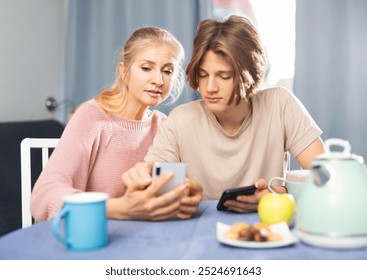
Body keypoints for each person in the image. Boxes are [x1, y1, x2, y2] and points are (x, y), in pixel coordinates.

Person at [125, 15, 324, 214]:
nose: (210, 87)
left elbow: (326, 178)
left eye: (223, 76)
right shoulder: (180, 120)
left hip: (267, 228)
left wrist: (279, 194)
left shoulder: (280, 104)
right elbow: (142, 193)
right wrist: (142, 180)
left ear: (248, 74)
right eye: (203, 75)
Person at [31, 26, 202, 222]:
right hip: (93, 237)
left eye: (167, 71)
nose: (158, 80)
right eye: (146, 68)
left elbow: (161, 198)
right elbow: (43, 195)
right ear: (124, 71)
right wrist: (118, 208)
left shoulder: (164, 125)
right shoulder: (92, 116)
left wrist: (185, 195)